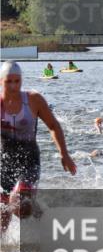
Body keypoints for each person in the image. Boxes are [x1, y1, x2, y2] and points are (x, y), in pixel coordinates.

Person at [1, 61, 77, 233]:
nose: (13, 86)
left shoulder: (33, 100)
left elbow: (53, 126)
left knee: (20, 206)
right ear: (1, 81)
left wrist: (64, 154)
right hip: (4, 161)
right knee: (3, 212)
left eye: (17, 81)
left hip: (29, 160)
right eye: (8, 82)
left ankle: (51, 226)